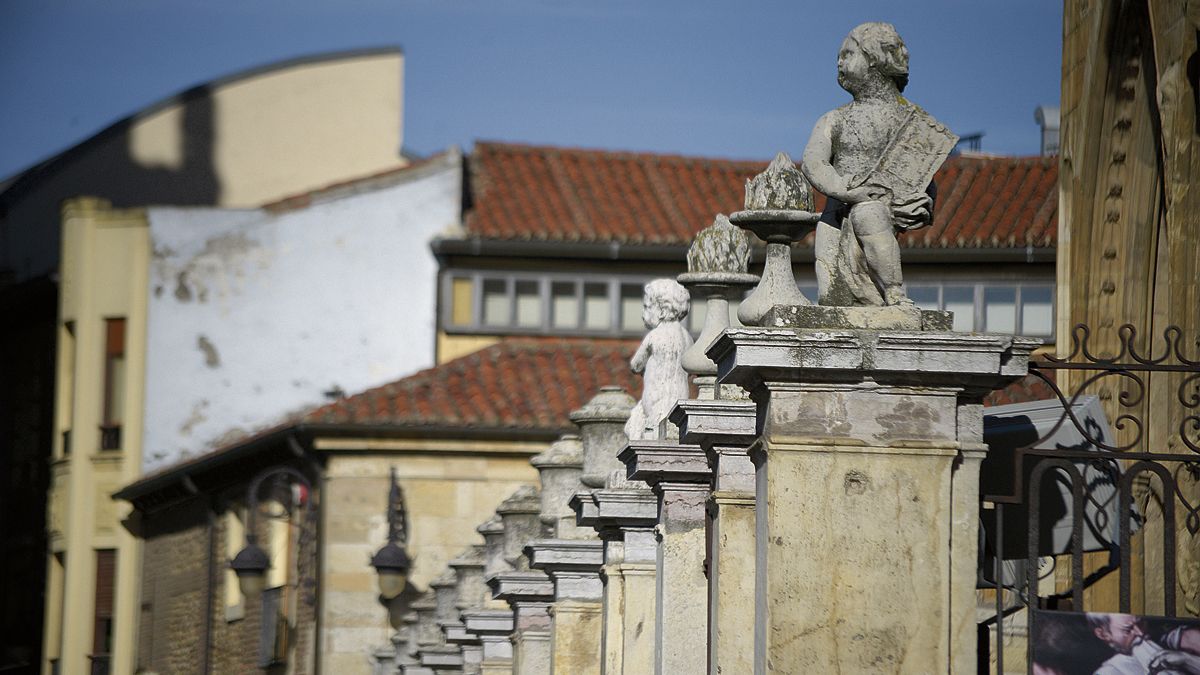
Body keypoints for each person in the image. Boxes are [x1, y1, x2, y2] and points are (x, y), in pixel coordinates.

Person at [801, 22, 937, 307]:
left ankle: (894, 291)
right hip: (838, 219)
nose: (839, 62)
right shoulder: (834, 119)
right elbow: (813, 162)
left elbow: (924, 175)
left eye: (847, 54)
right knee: (832, 299)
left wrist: (919, 201)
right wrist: (847, 190)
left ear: (874, 58)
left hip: (885, 215)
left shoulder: (913, 123)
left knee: (870, 215)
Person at [624, 279, 692, 441]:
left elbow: (636, 365)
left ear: (662, 310)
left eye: (647, 307)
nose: (643, 314)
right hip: (680, 398)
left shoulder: (655, 336)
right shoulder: (687, 338)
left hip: (656, 401)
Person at [1087, 612, 1200, 675]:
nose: (1140, 633)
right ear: (1103, 634)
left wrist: (1187, 659)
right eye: (1128, 630)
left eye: (1140, 623)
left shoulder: (1177, 639)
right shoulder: (1109, 672)